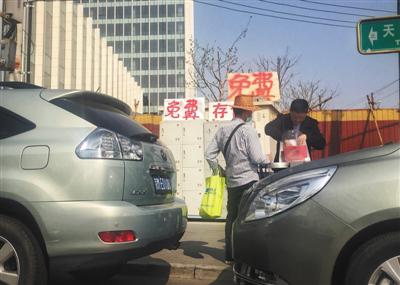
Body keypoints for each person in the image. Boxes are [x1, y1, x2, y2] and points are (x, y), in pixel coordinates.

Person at [205, 95, 269, 264]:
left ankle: (230, 256)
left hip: (232, 182)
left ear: (234, 110)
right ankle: (247, 255)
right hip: (249, 180)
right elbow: (257, 158)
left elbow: (209, 155)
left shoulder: (222, 130)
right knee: (249, 218)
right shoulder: (248, 130)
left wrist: (220, 171)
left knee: (232, 218)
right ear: (247, 112)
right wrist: (267, 158)